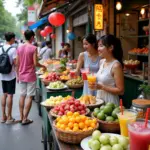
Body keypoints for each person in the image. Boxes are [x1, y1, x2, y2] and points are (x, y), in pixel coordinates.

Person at [16, 29, 46, 125]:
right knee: (29, 97)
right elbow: (35, 63)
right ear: (32, 37)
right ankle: (25, 118)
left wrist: (17, 75)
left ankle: (21, 117)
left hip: (21, 74)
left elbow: (17, 63)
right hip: (30, 75)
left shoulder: (19, 48)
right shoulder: (33, 48)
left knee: (22, 96)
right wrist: (43, 66)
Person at [89, 34, 124, 105]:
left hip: (110, 102)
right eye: (98, 46)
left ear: (111, 47)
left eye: (101, 46)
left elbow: (121, 91)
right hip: (99, 99)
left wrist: (101, 87)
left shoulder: (116, 65)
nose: (98, 49)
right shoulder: (101, 62)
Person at [0, 32, 17, 124]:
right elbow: (16, 63)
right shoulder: (13, 49)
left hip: (2, 75)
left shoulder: (0, 48)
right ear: (11, 39)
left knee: (4, 94)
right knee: (10, 95)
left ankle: (3, 117)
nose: (14, 40)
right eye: (14, 38)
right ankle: (9, 117)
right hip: (11, 75)